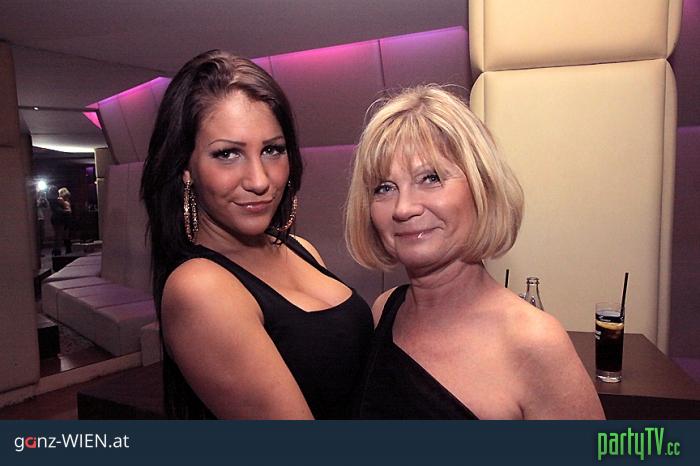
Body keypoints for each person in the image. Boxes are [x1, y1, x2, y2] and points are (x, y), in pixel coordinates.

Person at [345, 86, 604, 419]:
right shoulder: (386, 310)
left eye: (430, 178)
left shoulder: (533, 341)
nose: (404, 208)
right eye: (385, 187)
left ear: (482, 186)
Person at [141, 50, 373, 419]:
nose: (259, 180)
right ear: (185, 166)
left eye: (272, 150)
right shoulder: (199, 287)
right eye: (227, 154)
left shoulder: (300, 248)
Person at [49, 187, 72, 255]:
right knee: (59, 235)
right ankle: (58, 250)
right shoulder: (56, 200)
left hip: (61, 219)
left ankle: (58, 250)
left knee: (61, 235)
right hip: (59, 219)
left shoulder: (58, 200)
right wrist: (66, 211)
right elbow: (58, 210)